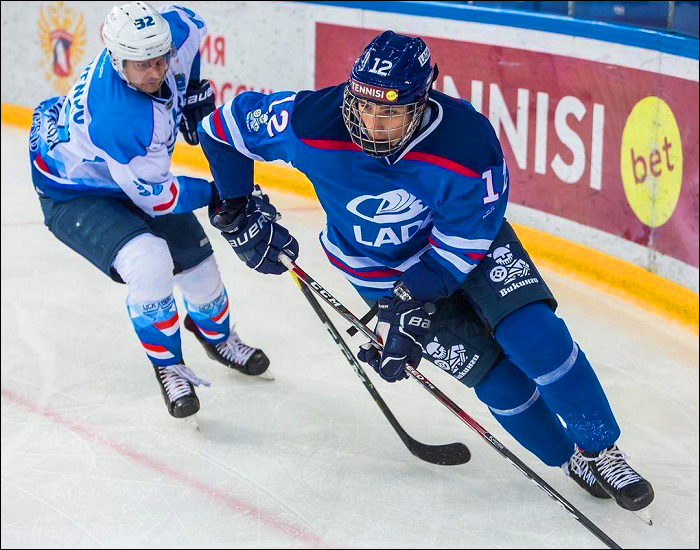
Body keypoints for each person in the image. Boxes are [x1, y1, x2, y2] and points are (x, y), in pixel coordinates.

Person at [196, 31, 654, 512]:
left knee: (535, 337)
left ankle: (602, 448)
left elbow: (462, 246)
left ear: (421, 102)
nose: (372, 123)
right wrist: (236, 204)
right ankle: (569, 459)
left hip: (466, 249)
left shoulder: (466, 143)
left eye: (390, 112)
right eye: (364, 105)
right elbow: (221, 130)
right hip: (377, 269)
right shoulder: (311, 121)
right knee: (493, 379)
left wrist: (413, 307)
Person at [28, 1, 270, 422]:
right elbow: (155, 198)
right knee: (149, 260)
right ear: (117, 60)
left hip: (124, 170)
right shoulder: (118, 116)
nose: (156, 72)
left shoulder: (173, 35)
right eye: (142, 65)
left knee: (200, 268)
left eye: (160, 60)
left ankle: (219, 339)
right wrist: (219, 194)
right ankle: (168, 364)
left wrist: (192, 89)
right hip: (74, 191)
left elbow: (191, 21)